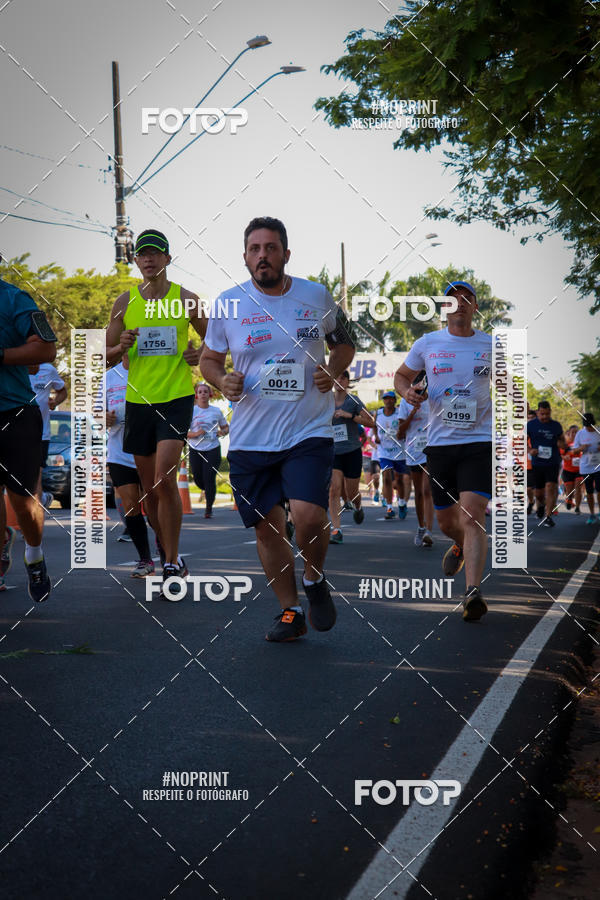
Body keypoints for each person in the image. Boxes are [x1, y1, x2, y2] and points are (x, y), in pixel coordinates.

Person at [200, 216, 355, 642]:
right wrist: (221, 380)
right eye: (255, 249)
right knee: (267, 529)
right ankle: (290, 611)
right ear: (245, 256)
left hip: (308, 429)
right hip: (251, 437)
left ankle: (314, 577)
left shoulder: (316, 295)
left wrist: (333, 368)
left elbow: (346, 342)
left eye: (270, 248)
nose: (262, 256)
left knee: (308, 516)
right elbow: (209, 359)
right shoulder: (228, 304)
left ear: (286, 254)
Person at [105, 229, 206, 598]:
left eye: (155, 253)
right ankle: (168, 555)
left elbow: (216, 341)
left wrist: (198, 355)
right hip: (138, 402)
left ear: (167, 258)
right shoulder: (124, 302)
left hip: (176, 397)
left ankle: (172, 561)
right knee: (149, 492)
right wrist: (120, 346)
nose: (148, 259)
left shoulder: (187, 299)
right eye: (142, 254)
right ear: (136, 260)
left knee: (164, 479)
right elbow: (103, 355)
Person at [394, 280, 492, 622]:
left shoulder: (491, 345)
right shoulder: (427, 343)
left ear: (475, 307)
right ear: (444, 308)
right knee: (448, 522)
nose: (459, 303)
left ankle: (472, 592)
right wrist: (407, 392)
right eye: (452, 299)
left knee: (472, 514)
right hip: (440, 445)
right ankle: (460, 544)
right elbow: (401, 376)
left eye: (467, 298)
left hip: (480, 441)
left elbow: (508, 384)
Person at [0, 272, 57, 601]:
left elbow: (46, 348)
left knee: (23, 503)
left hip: (15, 413)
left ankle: (34, 554)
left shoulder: (15, 299)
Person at [102, 353, 155, 577]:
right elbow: (98, 413)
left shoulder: (152, 371)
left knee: (153, 507)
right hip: (119, 452)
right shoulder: (109, 377)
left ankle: (169, 555)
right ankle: (145, 559)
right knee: (131, 505)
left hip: (149, 450)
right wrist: (104, 418)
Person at [328, 370, 374, 543]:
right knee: (334, 489)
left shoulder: (353, 401)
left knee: (351, 492)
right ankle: (336, 530)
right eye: (337, 377)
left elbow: (371, 422)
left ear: (348, 382)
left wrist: (351, 416)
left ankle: (358, 506)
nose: (339, 380)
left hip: (352, 451)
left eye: (343, 378)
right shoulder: (326, 401)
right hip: (333, 452)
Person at [398, 376, 434, 548]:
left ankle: (429, 531)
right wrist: (412, 412)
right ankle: (421, 526)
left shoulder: (434, 399)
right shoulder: (405, 402)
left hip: (431, 450)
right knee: (418, 492)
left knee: (427, 490)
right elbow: (400, 432)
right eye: (416, 384)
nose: (420, 388)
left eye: (422, 384)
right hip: (413, 451)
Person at [187, 382, 229, 518]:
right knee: (198, 479)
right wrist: (196, 433)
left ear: (209, 394)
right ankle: (207, 490)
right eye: (200, 392)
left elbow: (225, 428)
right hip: (195, 448)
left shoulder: (216, 411)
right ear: (196, 395)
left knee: (209, 478)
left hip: (212, 448)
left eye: (205, 391)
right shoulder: (191, 411)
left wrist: (222, 432)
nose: (203, 394)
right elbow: (183, 432)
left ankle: (209, 508)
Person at [28, 361, 67, 507]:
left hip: (41, 434)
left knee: (35, 476)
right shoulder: (13, 365)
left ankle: (38, 506)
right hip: (15, 431)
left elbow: (62, 391)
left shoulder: (48, 369)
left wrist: (55, 402)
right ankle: (43, 499)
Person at [527, 400, 565, 528]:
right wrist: (530, 450)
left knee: (550, 487)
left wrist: (561, 444)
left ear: (550, 412)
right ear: (538, 412)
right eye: (542, 414)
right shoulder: (531, 425)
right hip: (537, 462)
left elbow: (562, 442)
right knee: (538, 493)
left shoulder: (556, 426)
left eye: (547, 414)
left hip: (553, 462)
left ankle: (548, 516)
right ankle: (542, 505)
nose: (545, 417)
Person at [374, 391, 408, 520]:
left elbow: (405, 427)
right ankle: (389, 507)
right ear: (383, 401)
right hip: (384, 450)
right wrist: (376, 436)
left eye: (391, 399)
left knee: (398, 479)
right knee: (387, 477)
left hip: (399, 450)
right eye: (386, 399)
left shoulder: (400, 413)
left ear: (395, 400)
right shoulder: (378, 413)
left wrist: (402, 433)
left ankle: (402, 503)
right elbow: (373, 426)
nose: (388, 401)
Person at [573, 413, 600, 524]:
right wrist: (581, 448)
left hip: (598, 466)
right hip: (586, 467)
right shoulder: (580, 433)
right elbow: (574, 451)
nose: (590, 429)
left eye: (591, 426)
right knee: (589, 492)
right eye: (588, 427)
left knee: (599, 489)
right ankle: (592, 514)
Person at [561, 424, 583, 514]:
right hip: (568, 471)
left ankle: (577, 507)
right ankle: (569, 499)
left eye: (576, 432)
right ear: (569, 433)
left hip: (580, 470)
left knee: (578, 488)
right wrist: (564, 457)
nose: (574, 434)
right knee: (570, 491)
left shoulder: (582, 443)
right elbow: (560, 454)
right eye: (572, 432)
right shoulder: (565, 444)